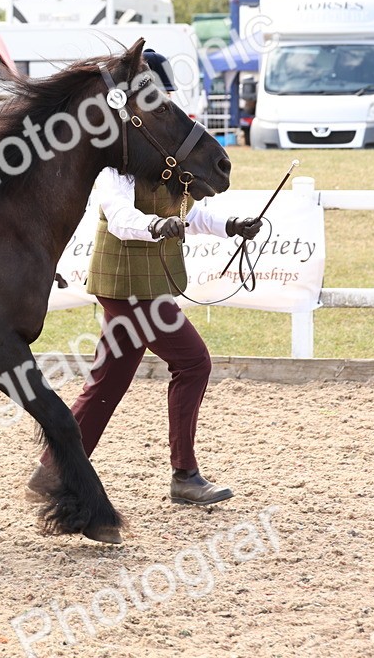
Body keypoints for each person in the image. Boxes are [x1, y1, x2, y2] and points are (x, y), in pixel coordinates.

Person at [28, 50, 263, 511]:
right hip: (127, 282)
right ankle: (185, 475)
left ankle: (52, 469)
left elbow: (187, 211)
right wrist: (157, 226)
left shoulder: (164, 151)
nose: (166, 103)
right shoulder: (117, 160)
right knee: (193, 363)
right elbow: (119, 218)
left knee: (107, 383)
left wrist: (231, 224)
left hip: (143, 283)